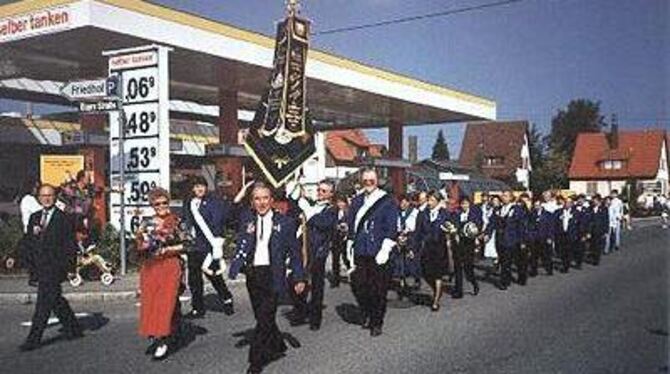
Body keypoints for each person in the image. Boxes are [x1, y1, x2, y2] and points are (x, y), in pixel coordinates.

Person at [228, 183, 306, 374]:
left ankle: (256, 362)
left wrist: (299, 278)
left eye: (265, 198)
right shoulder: (247, 219)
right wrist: (242, 191)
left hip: (273, 274)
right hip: (254, 274)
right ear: (252, 202)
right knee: (262, 316)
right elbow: (229, 216)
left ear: (271, 200)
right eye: (257, 199)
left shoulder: (285, 222)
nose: (261, 202)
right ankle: (278, 344)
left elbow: (295, 253)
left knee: (263, 319)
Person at [19, 184, 83, 352]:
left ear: (55, 197)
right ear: (39, 198)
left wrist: (70, 268)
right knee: (56, 300)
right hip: (39, 267)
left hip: (55, 267)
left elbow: (70, 245)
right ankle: (74, 328)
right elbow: (27, 241)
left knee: (43, 304)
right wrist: (13, 257)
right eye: (43, 195)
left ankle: (33, 339)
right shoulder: (34, 217)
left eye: (50, 195)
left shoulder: (64, 218)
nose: (47, 198)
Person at [135, 187, 189, 360]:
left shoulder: (177, 221)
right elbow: (138, 245)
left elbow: (187, 244)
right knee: (151, 302)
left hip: (170, 266)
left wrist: (167, 249)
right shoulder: (146, 222)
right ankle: (160, 331)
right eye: (157, 203)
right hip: (150, 267)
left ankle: (162, 339)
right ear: (152, 205)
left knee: (165, 303)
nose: (161, 206)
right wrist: (141, 244)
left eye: (164, 202)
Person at [345, 169, 398, 336]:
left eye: (371, 180)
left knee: (378, 290)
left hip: (378, 252)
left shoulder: (387, 201)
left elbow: (391, 228)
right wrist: (350, 246)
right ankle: (367, 311)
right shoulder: (357, 201)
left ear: (377, 182)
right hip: (361, 250)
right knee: (359, 286)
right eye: (365, 180)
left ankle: (376, 321)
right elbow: (352, 225)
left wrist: (385, 249)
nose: (368, 183)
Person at [181, 176, 234, 318]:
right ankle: (197, 308)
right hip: (194, 246)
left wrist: (217, 243)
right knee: (194, 279)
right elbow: (186, 220)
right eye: (197, 186)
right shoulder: (189, 202)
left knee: (214, 275)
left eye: (202, 186)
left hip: (209, 245)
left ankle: (226, 298)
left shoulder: (213, 202)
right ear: (192, 188)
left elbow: (217, 222)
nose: (199, 189)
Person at [289, 180, 338, 330]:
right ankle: (300, 310)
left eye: (323, 191)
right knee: (295, 279)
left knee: (316, 286)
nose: (319, 193)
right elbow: (293, 205)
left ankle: (315, 319)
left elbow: (321, 222)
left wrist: (306, 208)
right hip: (302, 248)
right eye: (318, 190)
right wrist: (296, 192)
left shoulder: (332, 210)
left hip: (318, 252)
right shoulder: (312, 204)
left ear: (331, 194)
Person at [415, 190, 451, 310]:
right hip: (427, 247)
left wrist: (449, 231)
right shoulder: (422, 214)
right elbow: (418, 232)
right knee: (426, 272)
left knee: (437, 274)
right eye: (428, 200)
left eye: (432, 200)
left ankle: (436, 301)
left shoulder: (444, 214)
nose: (429, 203)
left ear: (438, 202)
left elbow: (450, 226)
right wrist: (414, 247)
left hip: (439, 247)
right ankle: (436, 289)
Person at [490, 191, 527, 290]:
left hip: (512, 239)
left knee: (510, 261)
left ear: (511, 198)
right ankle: (507, 277)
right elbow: (492, 222)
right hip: (500, 239)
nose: (503, 197)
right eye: (503, 195)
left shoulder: (517, 209)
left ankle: (505, 281)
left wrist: (522, 241)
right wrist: (486, 234)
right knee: (503, 260)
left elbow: (521, 226)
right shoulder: (498, 209)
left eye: (506, 196)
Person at [453, 196, 481, 298]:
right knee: (458, 267)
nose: (464, 205)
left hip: (469, 243)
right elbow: (453, 225)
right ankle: (458, 291)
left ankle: (474, 283)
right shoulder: (456, 214)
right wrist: (454, 233)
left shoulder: (474, 214)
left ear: (469, 204)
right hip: (458, 243)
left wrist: (476, 235)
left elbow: (478, 225)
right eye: (462, 203)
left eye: (466, 203)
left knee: (468, 267)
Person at [393, 193, 421, 295]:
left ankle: (416, 278)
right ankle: (402, 281)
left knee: (412, 260)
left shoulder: (415, 212)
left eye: (405, 202)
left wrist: (409, 235)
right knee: (400, 260)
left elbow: (417, 227)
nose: (403, 204)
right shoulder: (396, 213)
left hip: (411, 238)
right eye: (401, 202)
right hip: (400, 238)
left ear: (409, 203)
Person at [18, 180, 41, 286]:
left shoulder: (30, 199)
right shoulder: (28, 199)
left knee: (36, 255)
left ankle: (36, 277)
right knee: (35, 256)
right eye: (35, 187)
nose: (37, 189)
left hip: (33, 231)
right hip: (31, 232)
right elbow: (39, 210)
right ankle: (34, 278)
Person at [330, 194, 350, 287]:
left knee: (347, 258)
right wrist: (336, 226)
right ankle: (335, 280)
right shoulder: (333, 212)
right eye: (338, 202)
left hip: (346, 239)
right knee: (335, 260)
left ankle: (352, 276)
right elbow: (330, 223)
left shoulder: (349, 212)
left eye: (342, 202)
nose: (340, 204)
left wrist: (346, 227)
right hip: (336, 238)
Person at [557, 196, 579, 273]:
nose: (567, 204)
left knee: (569, 250)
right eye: (566, 202)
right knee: (562, 251)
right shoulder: (559, 212)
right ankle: (564, 262)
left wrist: (578, 234)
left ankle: (566, 266)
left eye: (569, 202)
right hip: (562, 234)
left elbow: (579, 224)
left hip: (571, 234)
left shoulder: (576, 212)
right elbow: (555, 223)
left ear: (572, 204)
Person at [589, 194, 609, 266]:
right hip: (592, 230)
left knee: (598, 245)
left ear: (599, 201)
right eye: (593, 200)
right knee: (593, 244)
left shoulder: (604, 209)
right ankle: (593, 255)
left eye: (595, 200)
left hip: (600, 229)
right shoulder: (590, 208)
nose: (594, 202)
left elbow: (606, 220)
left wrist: (606, 231)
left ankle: (596, 259)